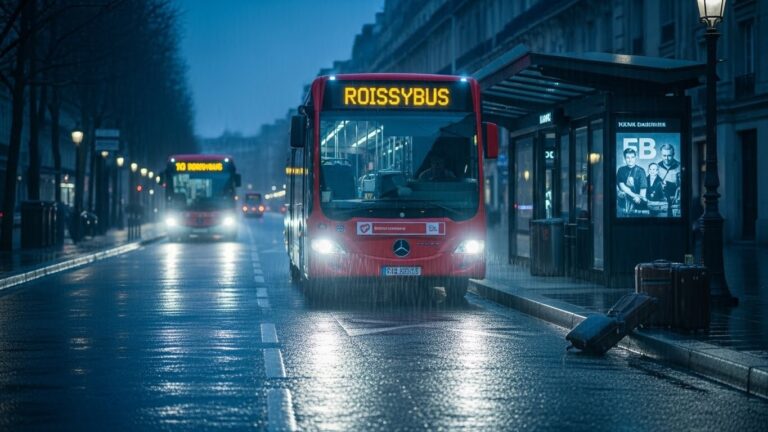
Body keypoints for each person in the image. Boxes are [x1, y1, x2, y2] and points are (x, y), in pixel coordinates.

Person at [616, 147, 647, 215]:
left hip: (637, 204)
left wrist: (638, 198)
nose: (630, 160)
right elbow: (622, 186)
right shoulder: (621, 170)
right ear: (625, 159)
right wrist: (635, 196)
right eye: (628, 157)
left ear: (636, 158)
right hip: (623, 204)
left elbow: (643, 191)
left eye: (632, 157)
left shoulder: (641, 171)